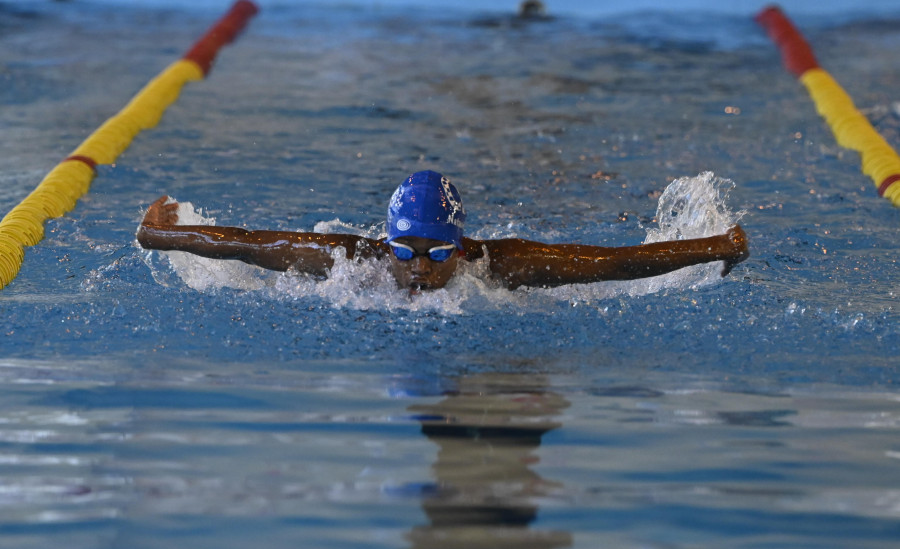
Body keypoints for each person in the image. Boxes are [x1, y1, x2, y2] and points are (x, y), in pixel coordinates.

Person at [137, 169, 748, 292]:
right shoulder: (352, 260)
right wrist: (161, 234)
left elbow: (611, 261)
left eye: (437, 253)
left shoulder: (504, 265)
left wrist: (718, 247)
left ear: (462, 245)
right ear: (386, 241)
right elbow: (250, 243)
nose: (420, 267)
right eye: (405, 250)